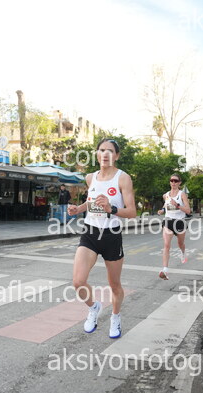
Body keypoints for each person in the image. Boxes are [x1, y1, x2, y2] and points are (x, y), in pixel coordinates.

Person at [68, 139, 136, 339]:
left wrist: (111, 208)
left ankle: (115, 316)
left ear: (117, 156)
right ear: (97, 154)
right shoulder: (90, 178)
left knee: (114, 285)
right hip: (90, 233)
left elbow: (132, 212)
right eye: (102, 150)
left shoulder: (123, 178)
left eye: (110, 151)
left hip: (111, 235)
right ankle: (93, 307)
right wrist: (78, 209)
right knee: (78, 281)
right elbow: (91, 202)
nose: (105, 154)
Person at [157, 173, 191, 280]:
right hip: (168, 221)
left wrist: (177, 205)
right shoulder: (165, 195)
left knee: (180, 244)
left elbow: (188, 211)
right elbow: (166, 204)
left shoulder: (182, 195)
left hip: (179, 222)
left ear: (179, 183)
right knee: (166, 245)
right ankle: (165, 270)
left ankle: (183, 252)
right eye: (171, 180)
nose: (173, 182)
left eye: (176, 181)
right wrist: (162, 210)